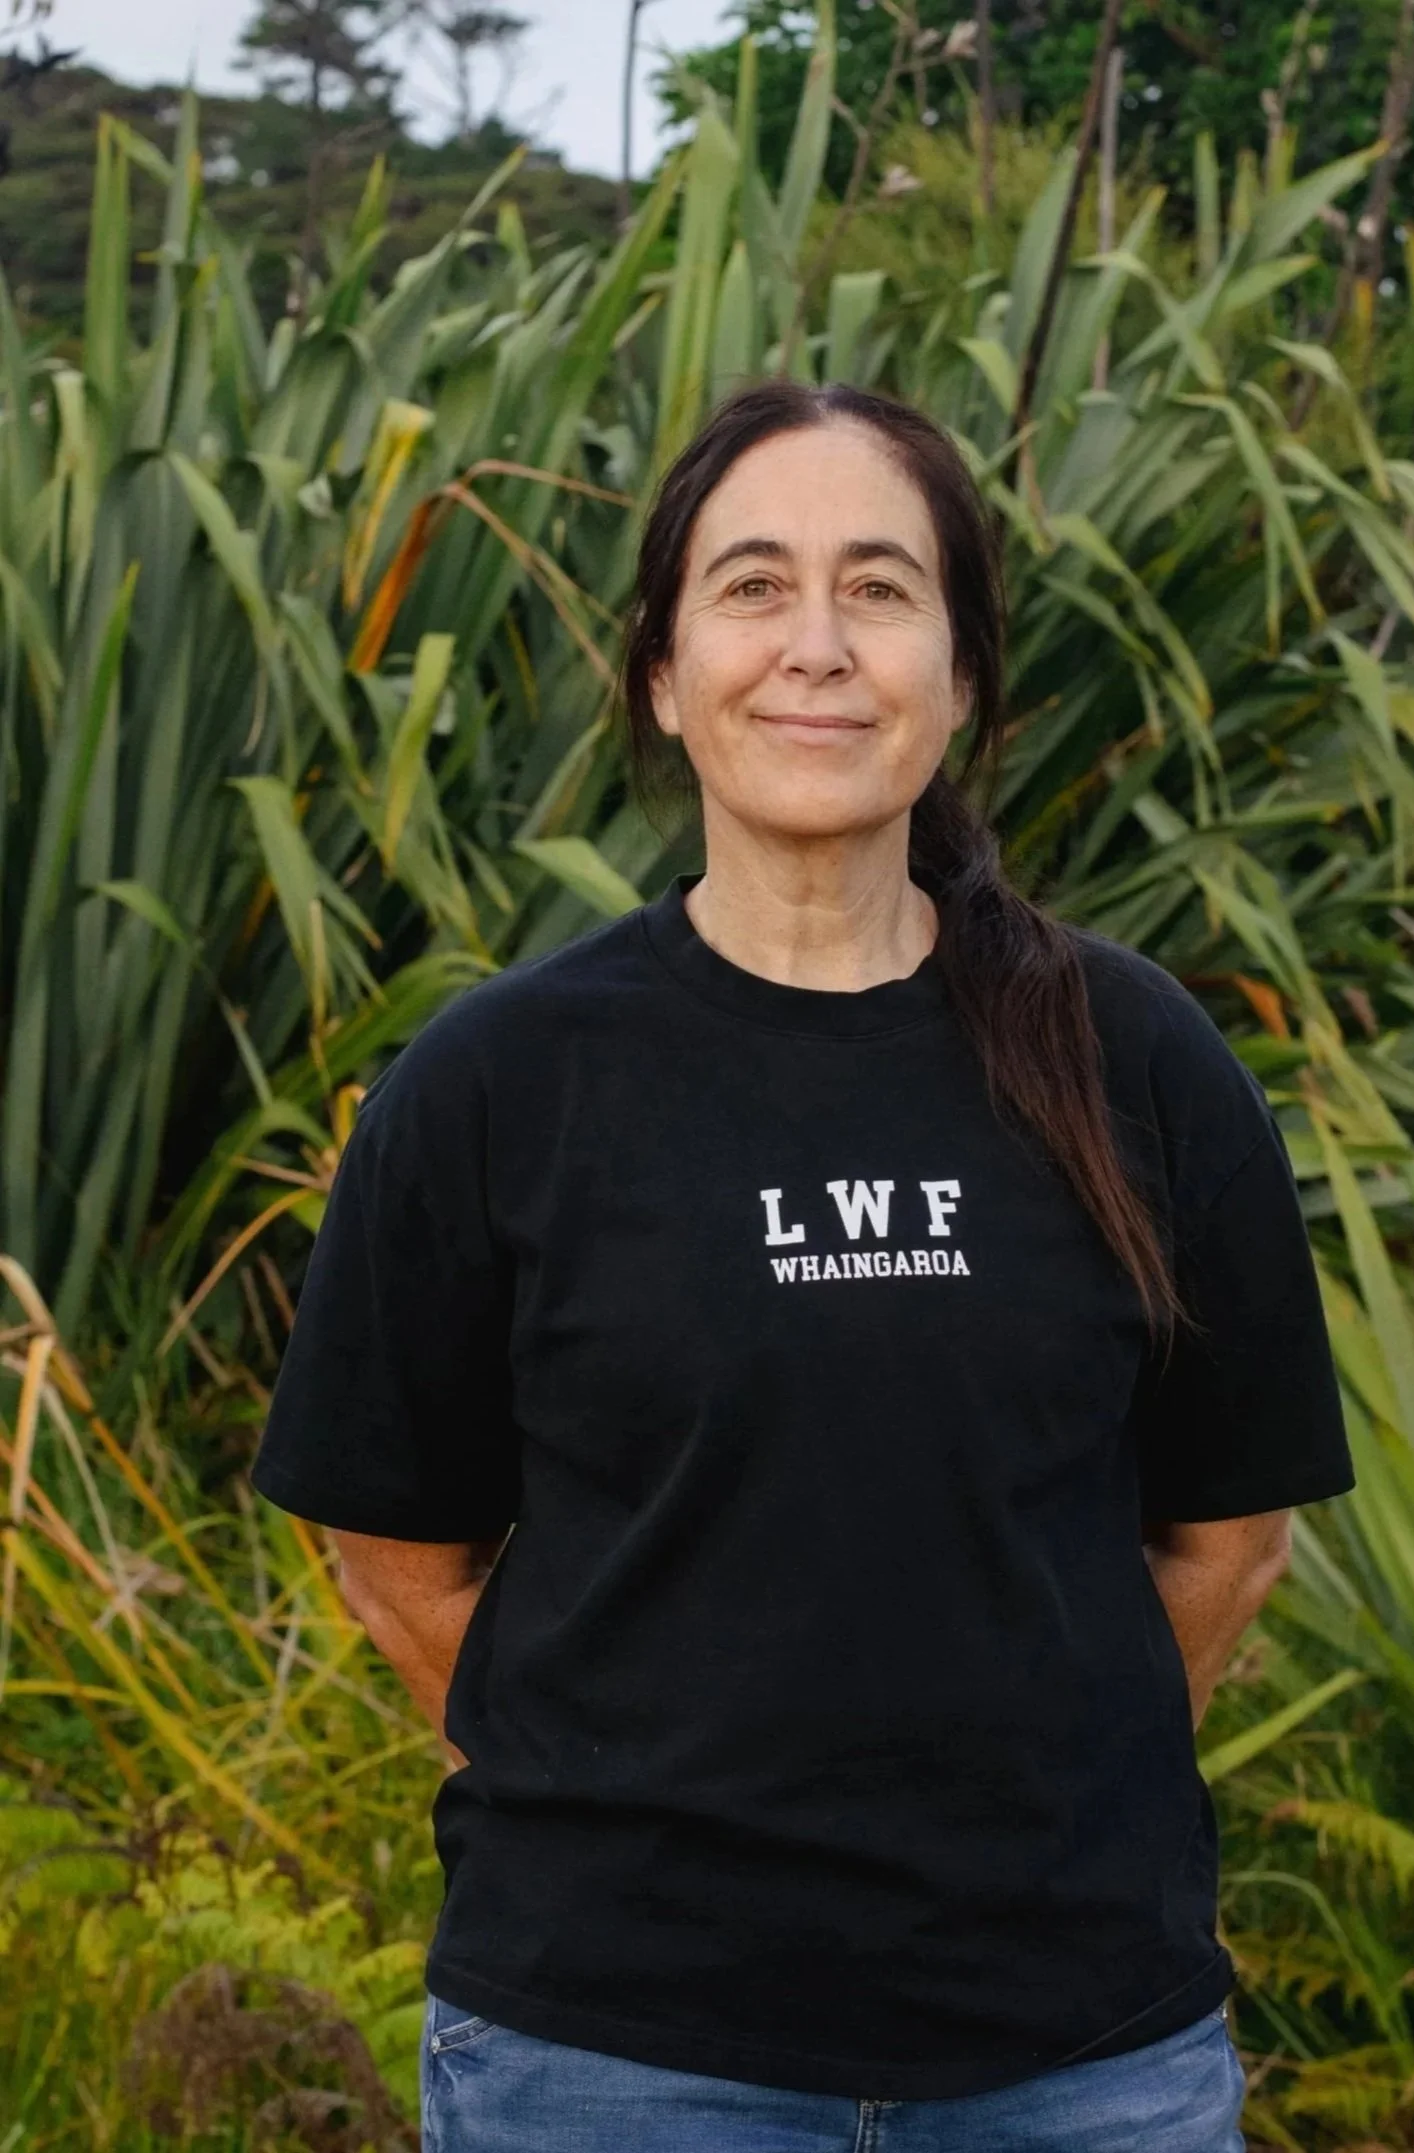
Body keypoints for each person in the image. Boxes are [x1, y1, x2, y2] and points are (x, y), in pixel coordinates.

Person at [251, 380, 1355, 2152]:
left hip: (1076, 2058)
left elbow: (1227, 1539)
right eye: (753, 588)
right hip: (611, 2061)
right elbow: (393, 1557)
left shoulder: (1137, 1062)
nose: (817, 648)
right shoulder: (499, 1088)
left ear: (965, 673)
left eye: (881, 588)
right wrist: (630, 1805)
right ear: (663, 677)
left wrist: (1021, 1801)